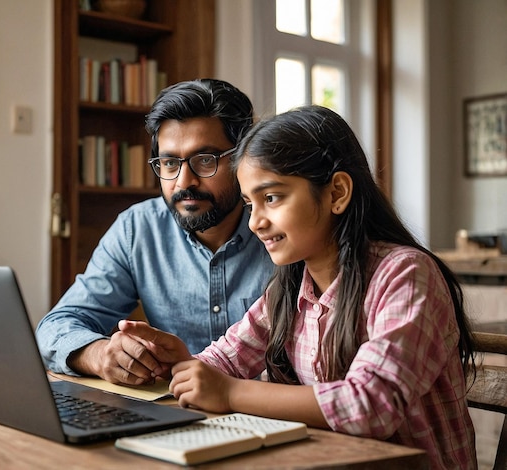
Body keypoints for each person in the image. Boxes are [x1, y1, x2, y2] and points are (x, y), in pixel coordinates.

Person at [119, 105, 478, 469]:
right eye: (249, 203)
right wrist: (178, 363)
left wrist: (229, 392)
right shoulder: (290, 286)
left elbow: (369, 406)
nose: (256, 222)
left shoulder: (405, 274)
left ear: (337, 192)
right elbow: (225, 361)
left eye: (271, 198)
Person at [36, 79, 274, 386]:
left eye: (205, 160)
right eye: (170, 163)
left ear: (243, 157)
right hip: (173, 411)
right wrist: (101, 355)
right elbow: (57, 325)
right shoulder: (138, 229)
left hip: (270, 413)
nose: (183, 182)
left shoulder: (282, 230)